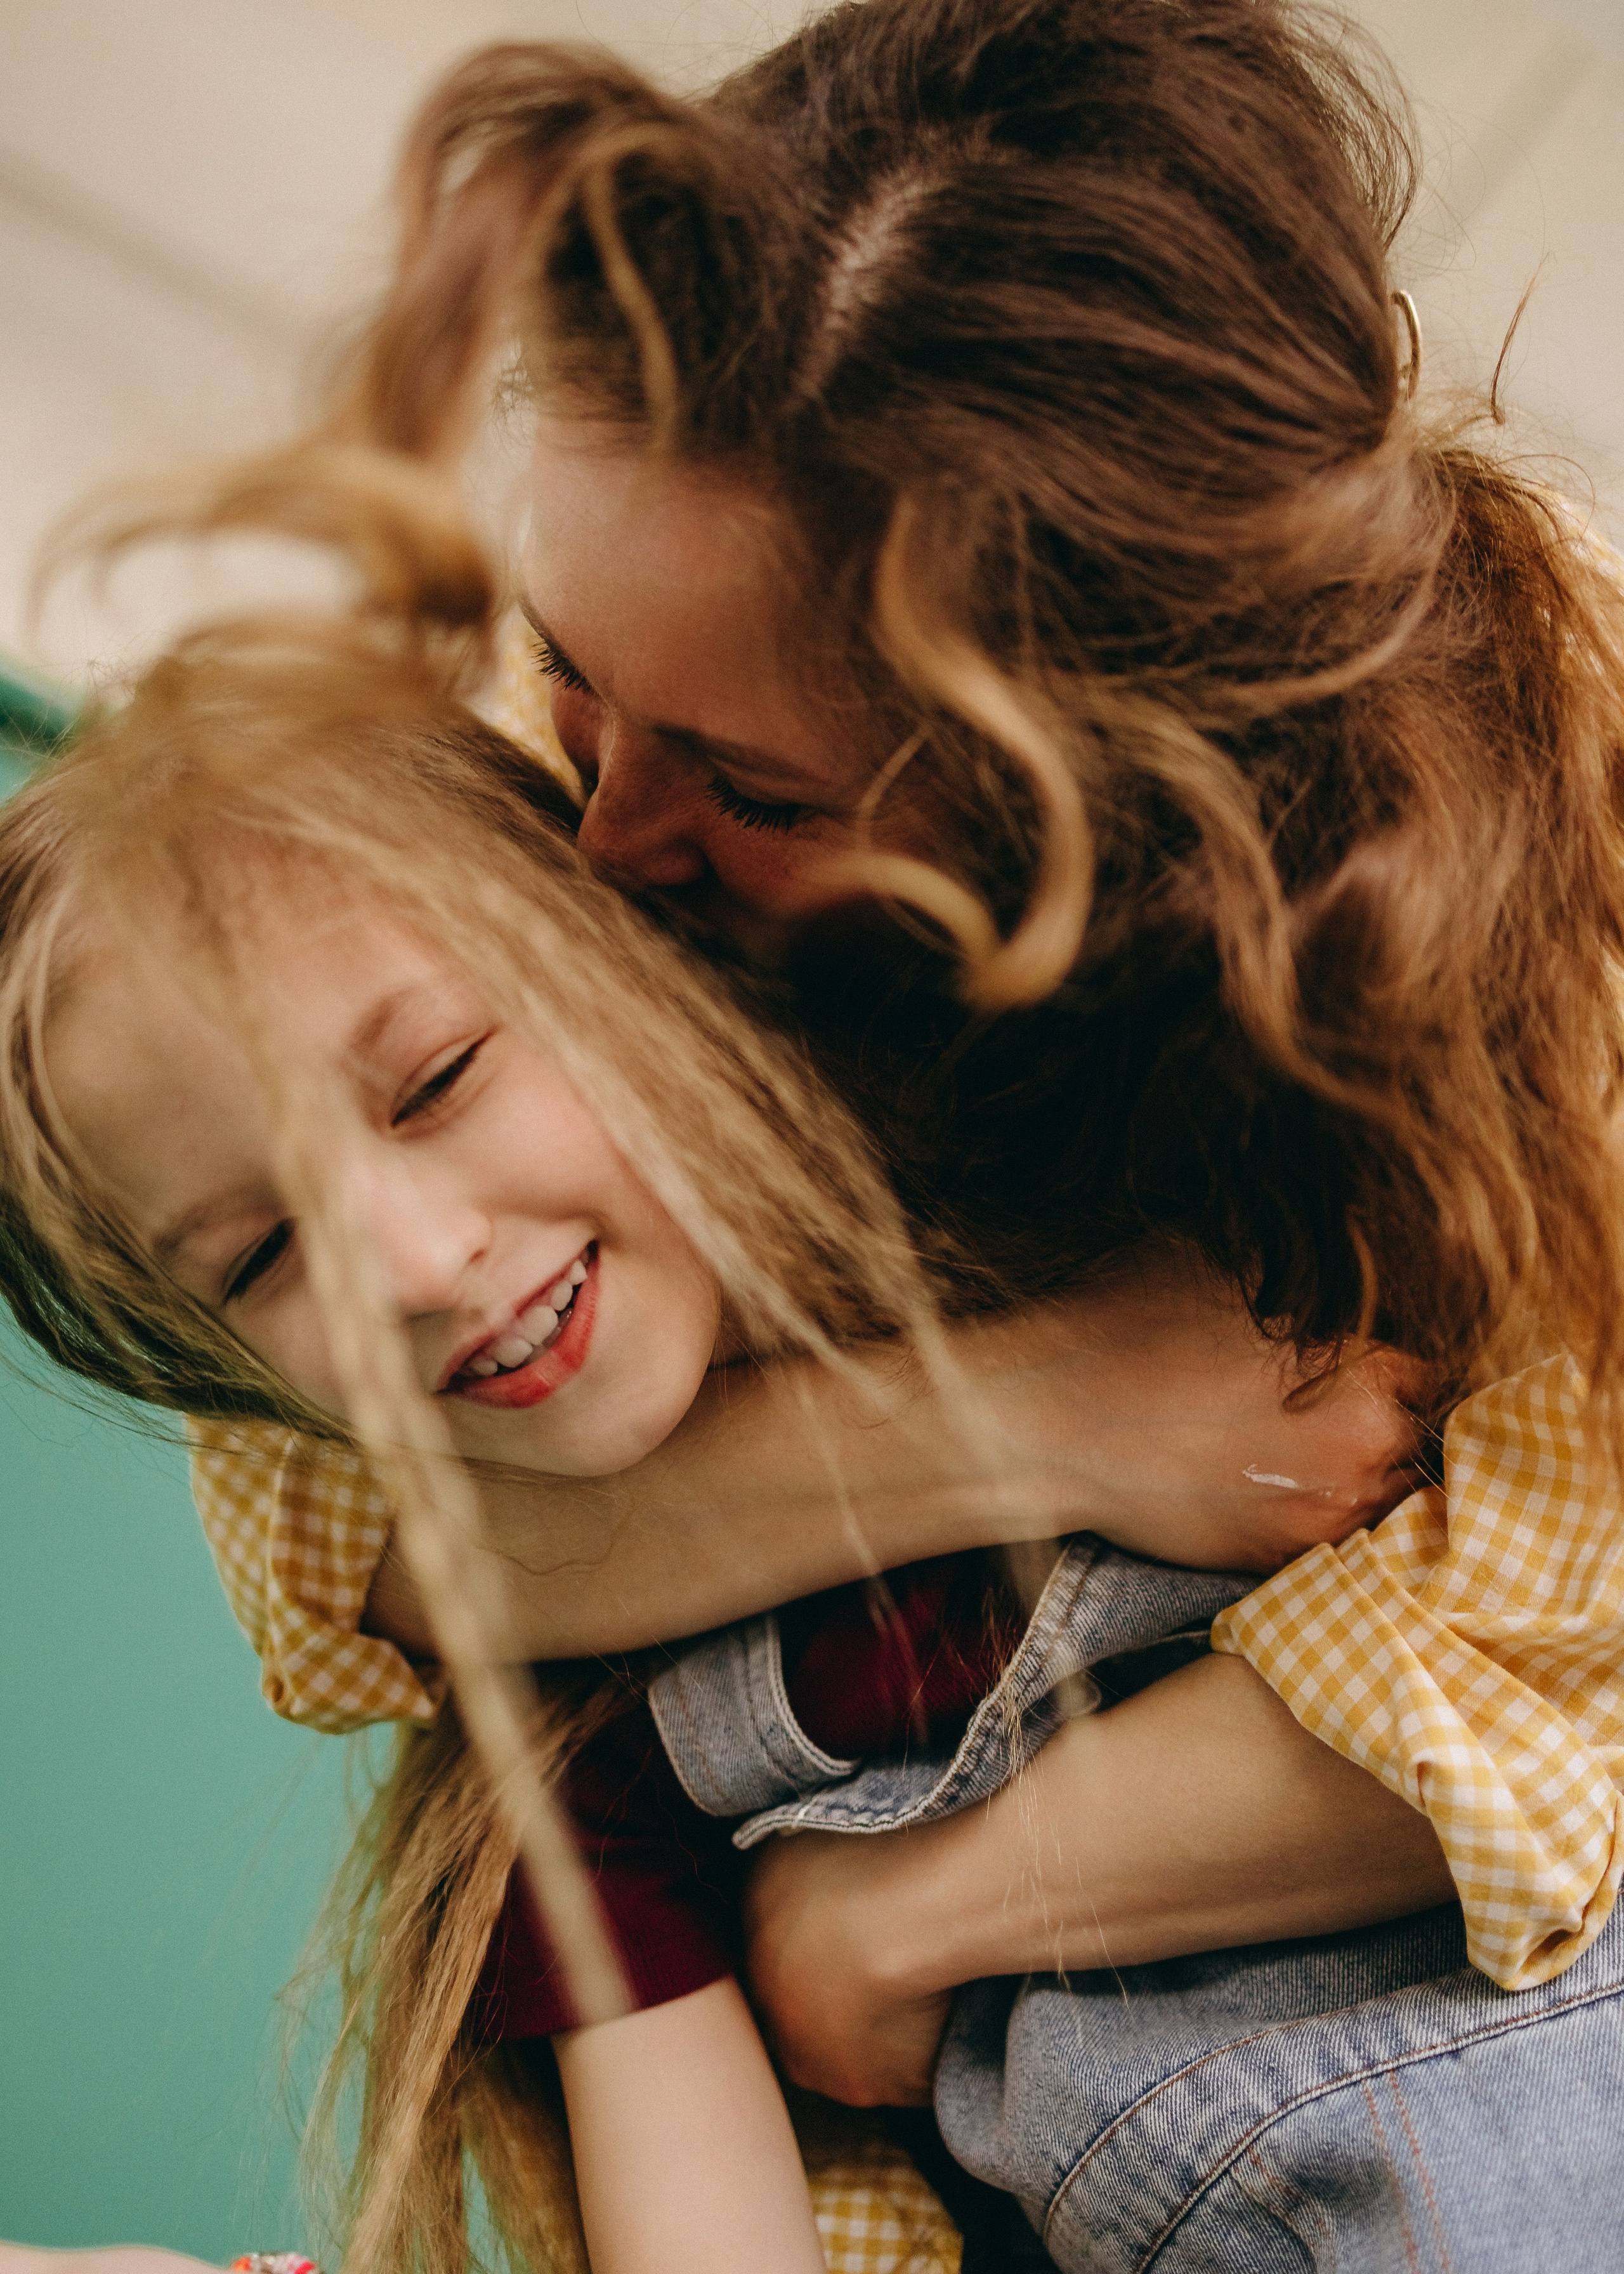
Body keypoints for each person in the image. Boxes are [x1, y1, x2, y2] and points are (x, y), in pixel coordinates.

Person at [61, 0, 1624, 2261]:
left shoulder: (1554, 905)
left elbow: (1553, 1682)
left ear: (1106, 800)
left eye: (760, 788)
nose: (593, 842)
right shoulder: (631, 747)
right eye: (569, 670)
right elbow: (361, 1559)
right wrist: (1028, 1417)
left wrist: (899, 1925)